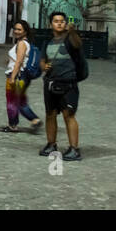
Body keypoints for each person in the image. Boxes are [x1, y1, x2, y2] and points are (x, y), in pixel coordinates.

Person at [39, 11, 84, 162]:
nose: (59, 23)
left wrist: (72, 32)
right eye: (56, 21)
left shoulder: (71, 39)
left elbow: (78, 45)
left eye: (62, 21)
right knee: (50, 114)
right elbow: (42, 58)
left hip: (68, 83)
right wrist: (44, 66)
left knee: (68, 115)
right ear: (50, 24)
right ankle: (51, 144)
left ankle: (74, 149)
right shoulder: (48, 41)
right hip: (51, 83)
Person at [0, 20, 42, 133]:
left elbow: (19, 62)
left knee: (12, 101)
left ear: (25, 31)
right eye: (15, 29)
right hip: (22, 76)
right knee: (20, 100)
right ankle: (32, 120)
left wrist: (12, 77)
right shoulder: (24, 43)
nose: (16, 31)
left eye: (19, 29)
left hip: (18, 76)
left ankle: (17, 124)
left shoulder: (22, 43)